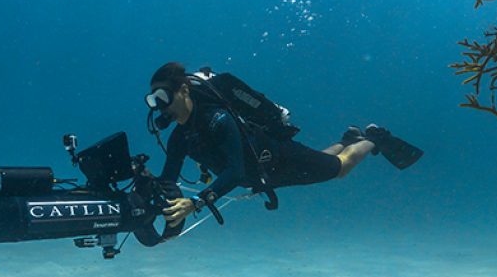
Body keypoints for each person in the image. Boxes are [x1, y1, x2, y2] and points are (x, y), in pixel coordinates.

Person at [145, 61, 416, 238]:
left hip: (278, 158)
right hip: (264, 175)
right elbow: (168, 181)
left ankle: (373, 138)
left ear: (182, 91)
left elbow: (235, 171)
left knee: (341, 169)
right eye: (153, 100)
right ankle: (347, 140)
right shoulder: (179, 138)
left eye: (163, 97)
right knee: (324, 158)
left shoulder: (217, 120)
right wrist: (145, 184)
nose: (159, 106)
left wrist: (195, 203)